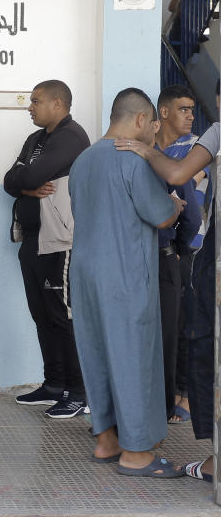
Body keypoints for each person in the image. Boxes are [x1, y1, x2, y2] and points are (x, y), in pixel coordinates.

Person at [69, 88, 184, 478]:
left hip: (84, 271)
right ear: (139, 120)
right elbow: (161, 215)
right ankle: (136, 453)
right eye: (150, 126)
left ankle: (107, 440)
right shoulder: (131, 158)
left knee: (97, 353)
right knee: (133, 356)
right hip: (124, 272)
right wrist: (175, 204)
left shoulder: (82, 160)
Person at [115, 113, 221, 483]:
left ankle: (215, 461)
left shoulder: (218, 130)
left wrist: (146, 151)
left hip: (214, 261)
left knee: (208, 349)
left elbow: (177, 177)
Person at [3, 80, 89, 418]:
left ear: (57, 103)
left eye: (35, 101)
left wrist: (25, 177)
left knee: (62, 316)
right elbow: (12, 181)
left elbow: (28, 174)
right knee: (41, 314)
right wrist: (25, 183)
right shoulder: (36, 139)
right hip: (32, 239)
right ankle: (54, 384)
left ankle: (80, 393)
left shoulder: (72, 136)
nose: (30, 107)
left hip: (60, 241)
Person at [153, 85, 202, 424]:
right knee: (166, 326)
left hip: (188, 249)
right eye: (184, 108)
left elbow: (194, 213)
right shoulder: (152, 148)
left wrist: (181, 249)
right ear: (164, 112)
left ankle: (181, 396)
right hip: (165, 250)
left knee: (183, 325)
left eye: (193, 109)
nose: (190, 115)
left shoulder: (196, 149)